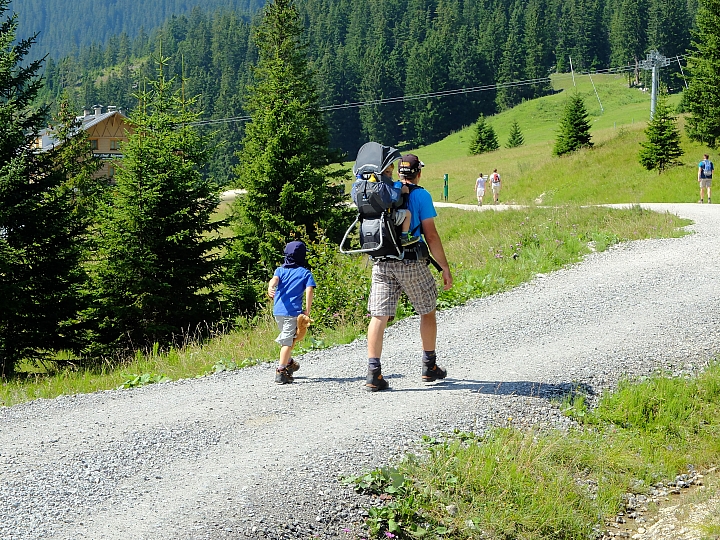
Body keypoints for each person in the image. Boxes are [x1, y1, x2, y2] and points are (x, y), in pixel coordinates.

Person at [365, 153, 453, 392]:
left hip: (381, 261)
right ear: (419, 173)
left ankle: (374, 373)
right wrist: (444, 266)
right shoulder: (421, 195)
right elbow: (431, 235)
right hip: (410, 261)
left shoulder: (384, 190)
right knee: (427, 311)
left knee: (379, 316)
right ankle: (429, 366)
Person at [268, 241, 316, 384]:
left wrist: (270, 286)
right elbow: (309, 290)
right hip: (292, 313)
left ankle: (289, 362)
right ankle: (281, 370)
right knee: (288, 342)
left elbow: (274, 279)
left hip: (278, 312)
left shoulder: (280, 270)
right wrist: (307, 310)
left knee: (287, 338)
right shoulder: (305, 273)